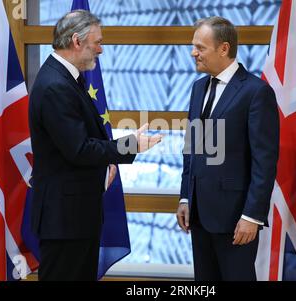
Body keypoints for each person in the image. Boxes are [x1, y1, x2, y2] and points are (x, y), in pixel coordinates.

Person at [28, 10, 161, 281]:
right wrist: (131, 144)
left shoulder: (65, 78)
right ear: (77, 41)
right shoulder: (56, 85)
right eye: (97, 42)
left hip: (74, 217)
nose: (101, 49)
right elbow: (79, 149)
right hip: (65, 221)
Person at [176, 17, 279, 281]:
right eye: (193, 46)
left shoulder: (257, 92)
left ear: (224, 48)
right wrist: (186, 197)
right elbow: (192, 147)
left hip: (236, 219)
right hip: (199, 215)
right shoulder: (198, 87)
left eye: (200, 47)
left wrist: (252, 216)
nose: (193, 53)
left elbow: (264, 161)